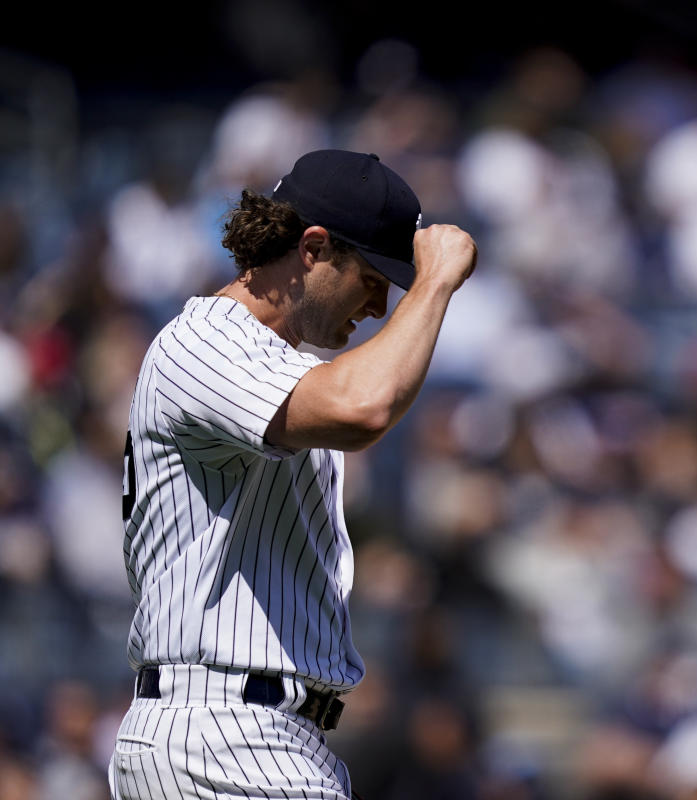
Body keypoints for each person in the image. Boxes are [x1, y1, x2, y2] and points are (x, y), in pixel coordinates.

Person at [109, 149, 477, 800]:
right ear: (312, 247)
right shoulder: (205, 340)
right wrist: (435, 283)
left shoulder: (276, 365)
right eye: (372, 277)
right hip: (220, 736)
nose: (380, 304)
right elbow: (365, 407)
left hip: (263, 739)